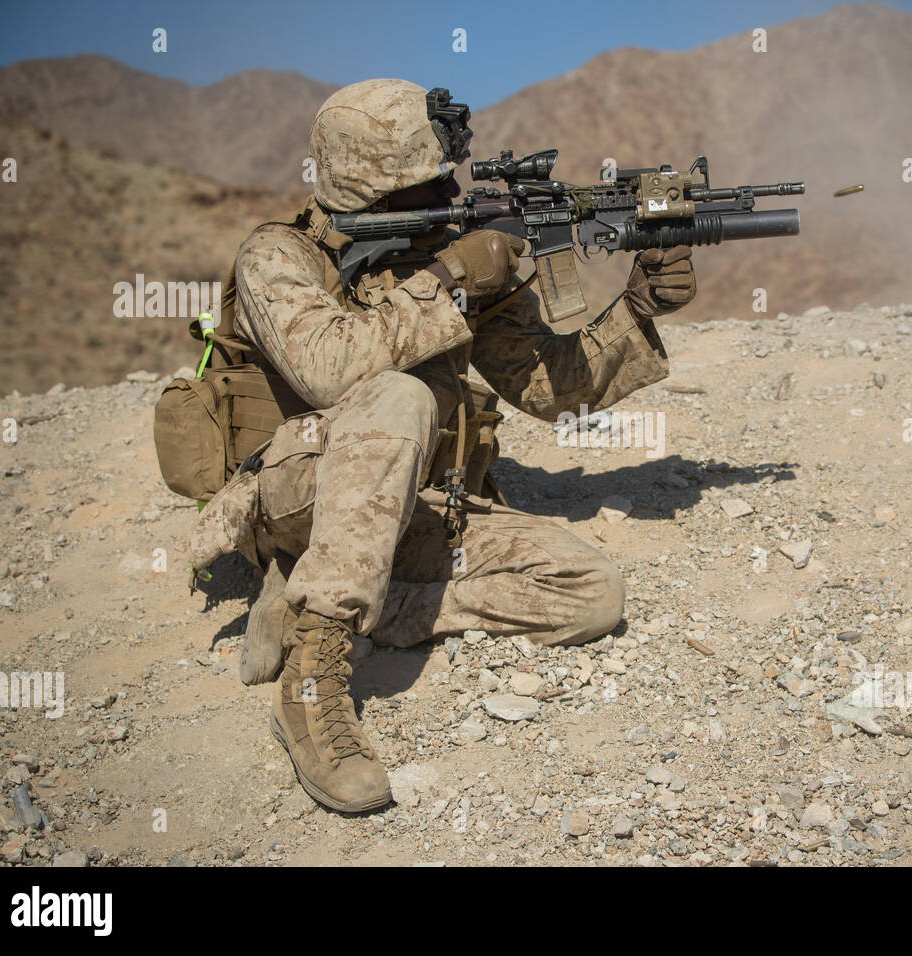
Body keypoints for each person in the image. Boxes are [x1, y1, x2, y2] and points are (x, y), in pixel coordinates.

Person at [188, 79, 697, 811]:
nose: (449, 190)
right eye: (426, 183)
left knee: (590, 595)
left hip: (414, 511)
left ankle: (321, 605)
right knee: (400, 394)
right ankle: (315, 676)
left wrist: (641, 302)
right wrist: (450, 279)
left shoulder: (448, 257)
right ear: (369, 185)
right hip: (304, 502)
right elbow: (329, 368)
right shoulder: (277, 258)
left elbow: (553, 388)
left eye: (448, 175)